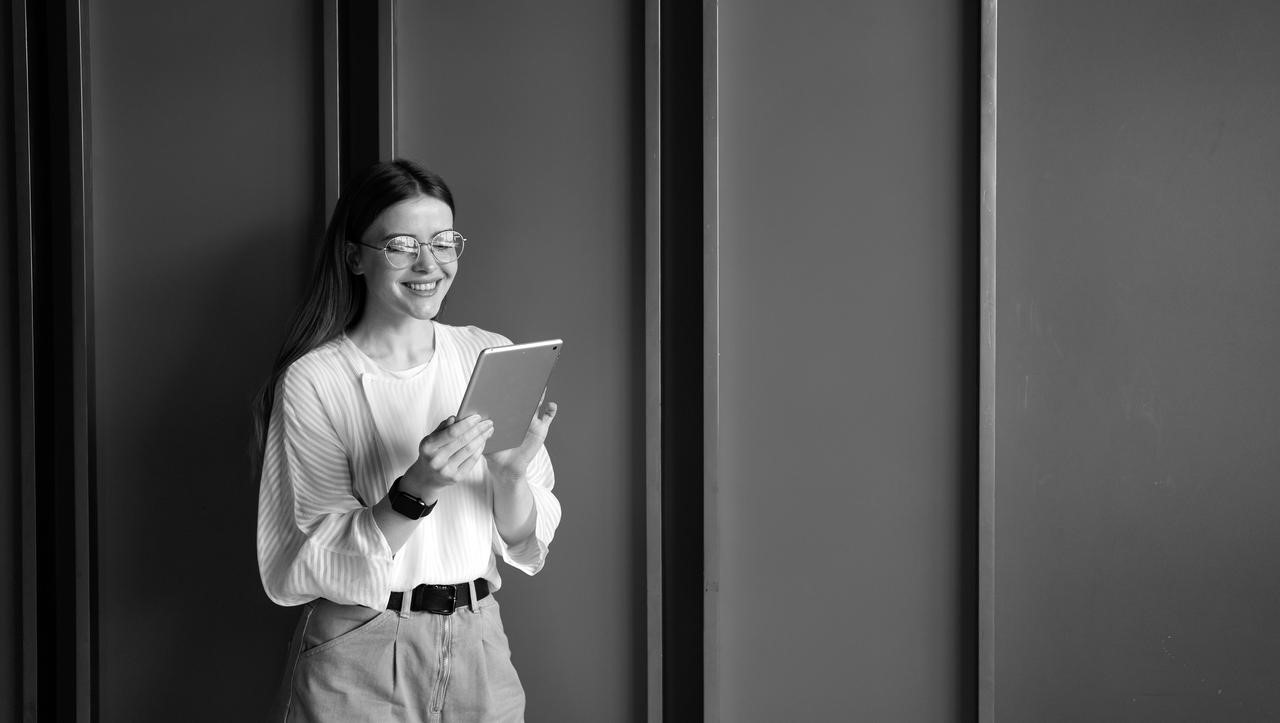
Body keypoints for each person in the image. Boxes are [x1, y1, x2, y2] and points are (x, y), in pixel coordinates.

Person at [254, 159, 560, 722]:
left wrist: (512, 478)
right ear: (355, 257)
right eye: (400, 245)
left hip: (480, 638)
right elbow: (308, 553)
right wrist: (418, 487)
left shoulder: (487, 352)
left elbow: (525, 539)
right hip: (361, 642)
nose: (429, 263)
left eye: (445, 241)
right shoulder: (316, 378)